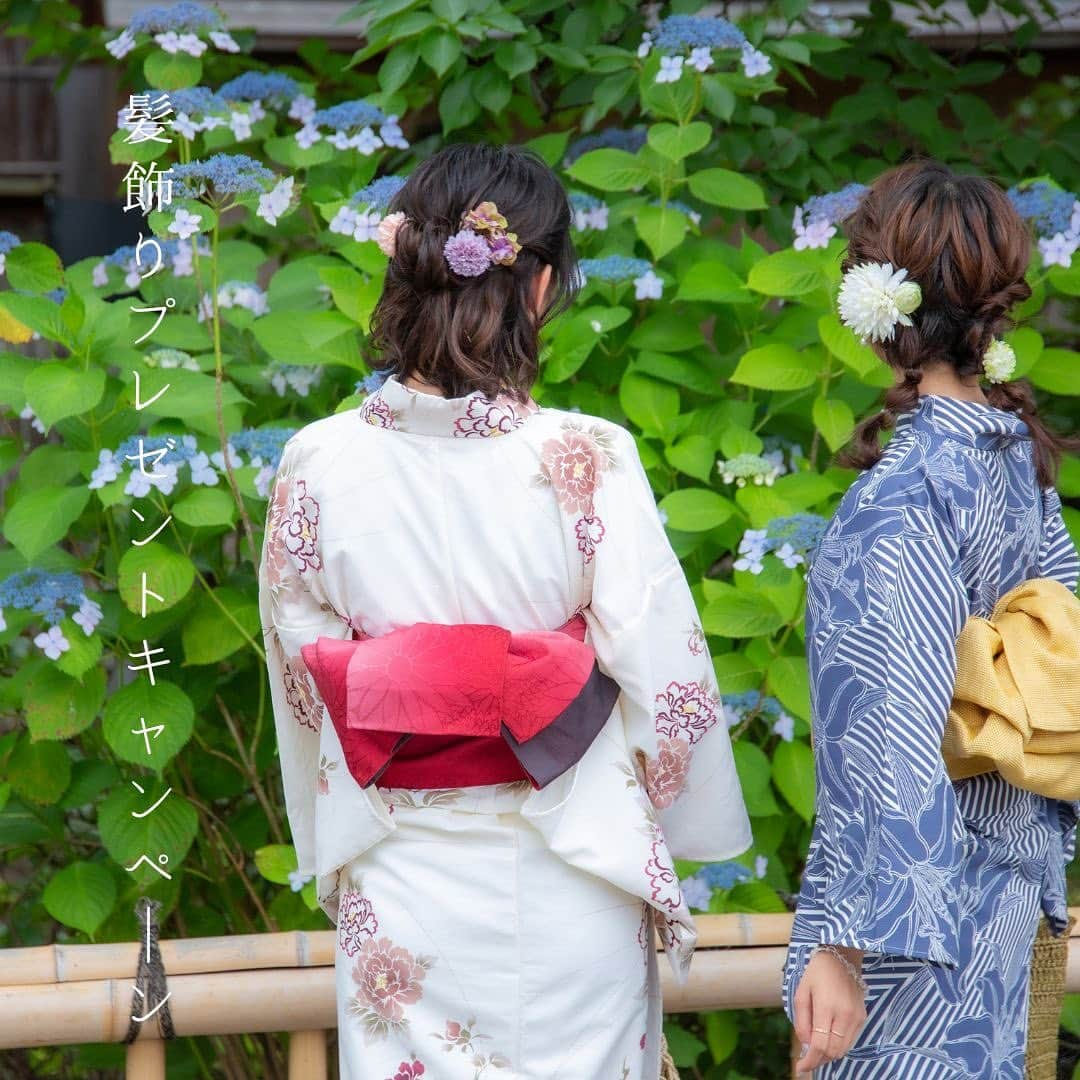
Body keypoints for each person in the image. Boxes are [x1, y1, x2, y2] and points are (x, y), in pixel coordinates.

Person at [257, 143, 752, 1080]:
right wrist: (658, 813)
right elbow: (665, 678)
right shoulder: (587, 457)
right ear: (541, 288)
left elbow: (305, 676)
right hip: (573, 855)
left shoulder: (316, 462)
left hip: (401, 865)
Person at [782, 158, 1080, 1078]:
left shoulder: (901, 499)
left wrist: (836, 941)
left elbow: (890, 736)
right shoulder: (1020, 469)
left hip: (914, 936)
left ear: (874, 301)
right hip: (1021, 899)